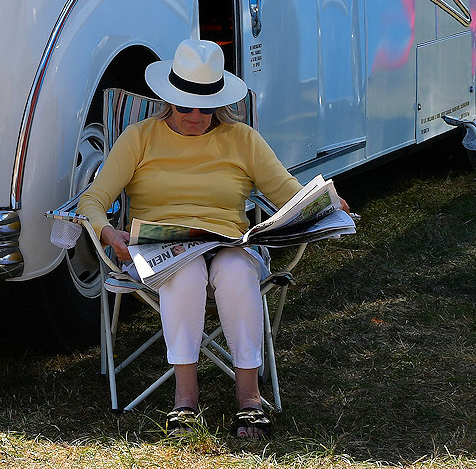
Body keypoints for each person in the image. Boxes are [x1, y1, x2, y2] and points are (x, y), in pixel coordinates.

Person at [77, 39, 348, 440]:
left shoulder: (242, 139)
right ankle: (185, 400)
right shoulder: (139, 137)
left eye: (205, 107)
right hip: (163, 248)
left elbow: (289, 195)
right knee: (185, 273)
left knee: (237, 270)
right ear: (169, 99)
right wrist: (107, 231)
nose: (195, 116)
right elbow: (92, 199)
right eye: (185, 106)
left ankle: (249, 399)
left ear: (218, 103)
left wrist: (325, 203)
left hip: (229, 242)